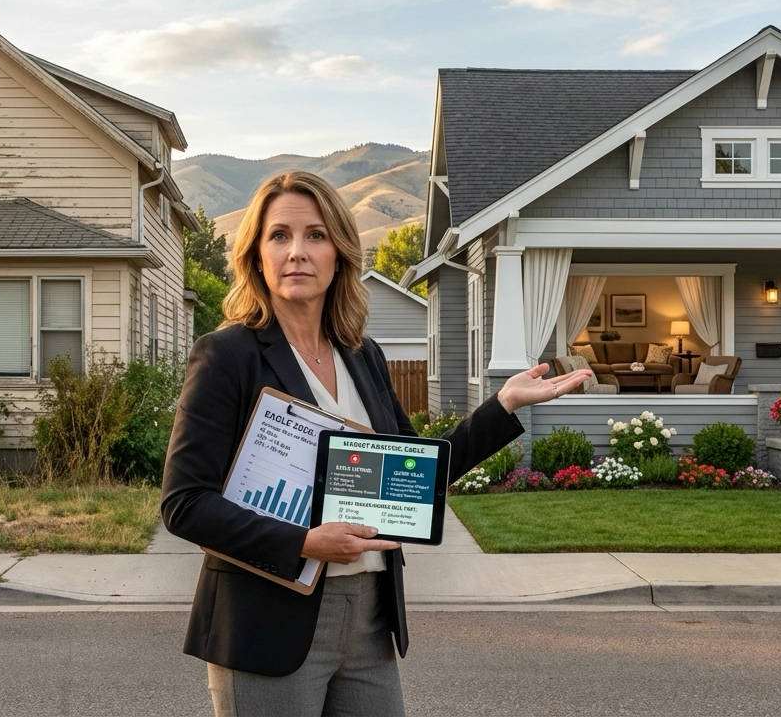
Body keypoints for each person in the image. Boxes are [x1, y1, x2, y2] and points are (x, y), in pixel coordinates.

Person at [161, 171, 591, 717]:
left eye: (315, 235)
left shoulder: (362, 355)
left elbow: (415, 478)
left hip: (369, 620)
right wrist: (303, 542)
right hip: (264, 622)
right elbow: (185, 504)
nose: (297, 252)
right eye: (279, 235)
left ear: (339, 253)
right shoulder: (226, 356)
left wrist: (501, 406)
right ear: (256, 255)